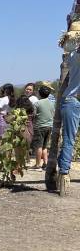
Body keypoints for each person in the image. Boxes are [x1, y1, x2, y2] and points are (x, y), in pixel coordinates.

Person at [56, 48, 80, 187]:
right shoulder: (75, 54)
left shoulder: (71, 54)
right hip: (73, 100)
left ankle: (63, 170)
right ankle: (64, 172)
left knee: (68, 139)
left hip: (70, 100)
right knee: (69, 139)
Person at [31, 85, 55, 169]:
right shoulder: (52, 103)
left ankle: (38, 164)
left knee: (38, 146)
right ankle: (45, 163)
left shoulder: (37, 103)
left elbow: (33, 115)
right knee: (45, 146)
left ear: (39, 94)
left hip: (39, 127)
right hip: (49, 126)